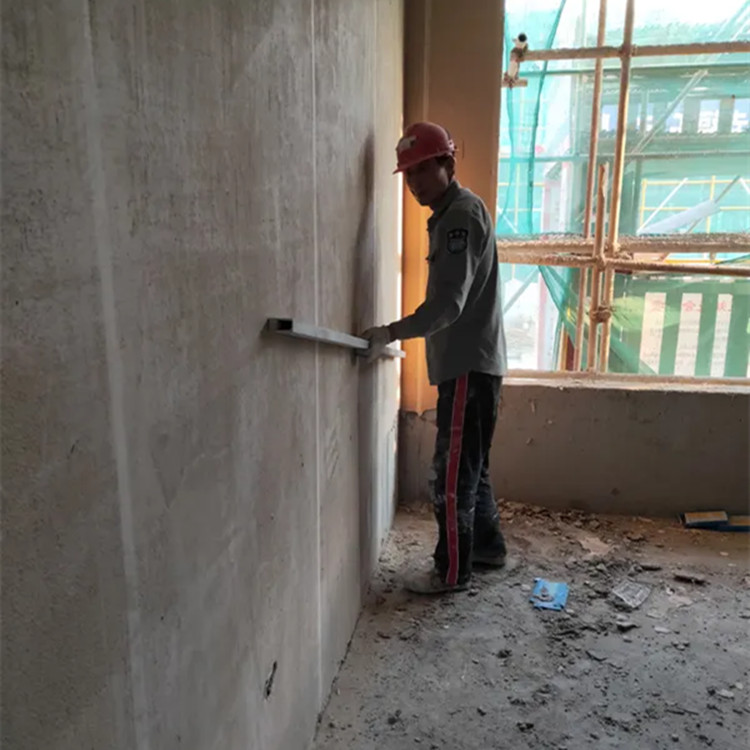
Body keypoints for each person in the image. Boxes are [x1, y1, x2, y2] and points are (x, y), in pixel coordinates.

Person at [362, 121, 509, 594]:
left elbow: (447, 305)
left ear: (448, 163)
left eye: (424, 170)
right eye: (409, 174)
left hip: (468, 366)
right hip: (475, 364)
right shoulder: (454, 212)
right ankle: (487, 547)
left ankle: (451, 572)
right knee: (471, 469)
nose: (415, 183)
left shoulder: (458, 218)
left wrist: (390, 333)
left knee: (451, 477)